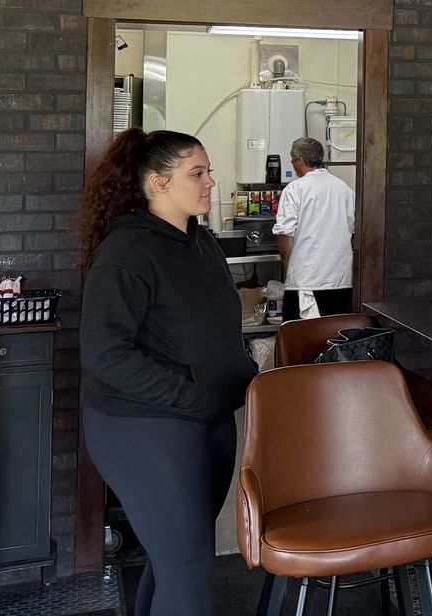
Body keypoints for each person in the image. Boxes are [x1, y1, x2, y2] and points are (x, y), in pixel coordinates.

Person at [78, 129, 257, 616]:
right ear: (157, 183)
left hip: (207, 422)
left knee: (173, 563)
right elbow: (104, 355)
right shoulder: (126, 255)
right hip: (144, 427)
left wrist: (246, 376)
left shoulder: (201, 243)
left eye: (208, 171)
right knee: (188, 567)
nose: (210, 183)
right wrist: (196, 397)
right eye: (196, 173)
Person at [274, 136, 356, 319]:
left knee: (302, 340)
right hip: (340, 280)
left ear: (299, 160)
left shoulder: (295, 189)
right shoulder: (344, 189)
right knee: (337, 338)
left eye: (292, 159)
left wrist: (288, 264)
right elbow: (355, 231)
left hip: (306, 281)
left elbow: (284, 232)